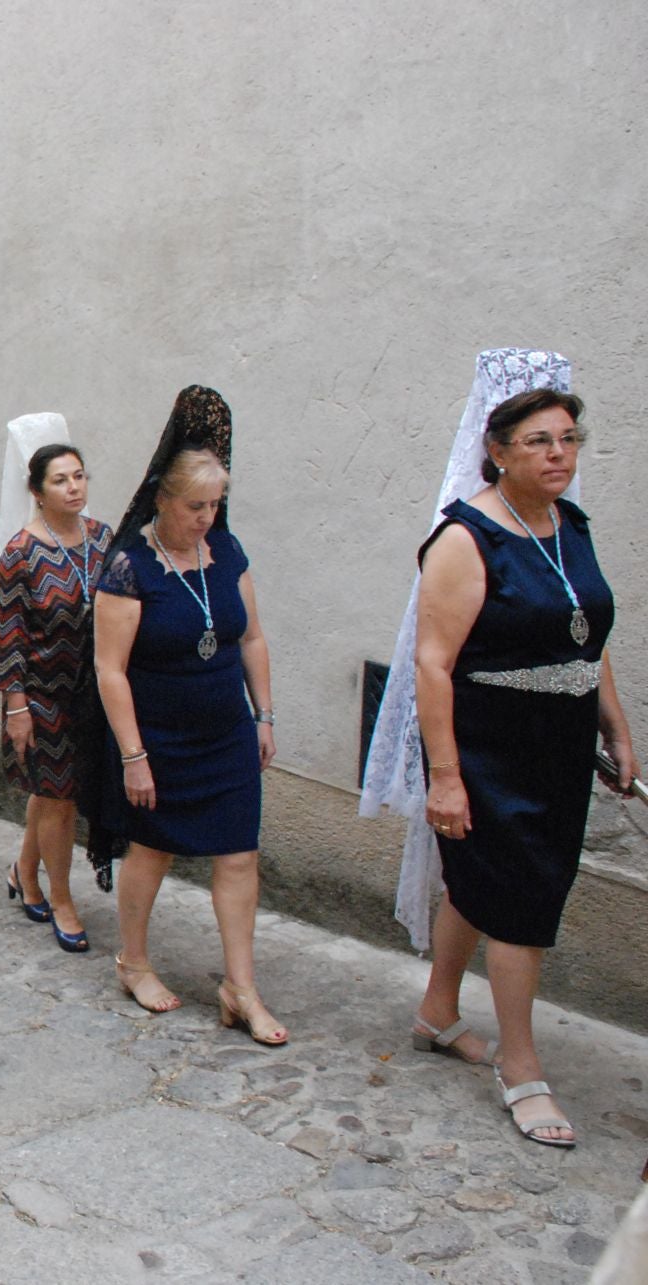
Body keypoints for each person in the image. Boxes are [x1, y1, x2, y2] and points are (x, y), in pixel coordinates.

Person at [375, 363, 631, 1148]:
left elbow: (588, 636)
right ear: (498, 450)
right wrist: (447, 777)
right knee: (520, 902)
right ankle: (521, 1067)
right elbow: (432, 664)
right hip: (491, 747)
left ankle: (437, 1011)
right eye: (538, 442)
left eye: (568, 439)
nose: (558, 454)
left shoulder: (570, 526)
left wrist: (615, 727)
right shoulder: (465, 536)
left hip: (560, 744)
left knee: (477, 881)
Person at [91, 387, 285, 1043]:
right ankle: (133, 960)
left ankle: (240, 986)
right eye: (195, 505)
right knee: (154, 847)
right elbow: (110, 669)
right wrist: (134, 754)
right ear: (163, 500)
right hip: (162, 737)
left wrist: (264, 715)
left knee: (238, 856)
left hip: (226, 732)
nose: (206, 517)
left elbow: (250, 637)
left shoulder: (226, 554)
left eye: (214, 505)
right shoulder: (130, 566)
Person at [0, 419, 111, 953]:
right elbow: (9, 635)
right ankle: (62, 897)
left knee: (52, 793)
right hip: (40, 694)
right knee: (58, 799)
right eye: (61, 480)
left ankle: (23, 870)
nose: (74, 487)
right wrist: (17, 707)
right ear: (38, 492)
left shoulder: (103, 539)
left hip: (92, 692)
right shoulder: (20, 552)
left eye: (79, 476)